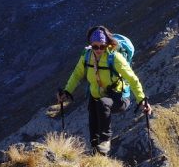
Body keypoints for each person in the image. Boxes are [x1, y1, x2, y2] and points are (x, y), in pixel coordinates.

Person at [57, 25, 151, 155]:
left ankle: (106, 140)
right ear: (91, 45)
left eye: (102, 46)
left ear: (107, 44)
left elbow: (132, 79)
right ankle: (97, 156)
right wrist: (67, 92)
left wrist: (142, 100)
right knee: (94, 125)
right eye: (95, 46)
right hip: (96, 97)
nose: (99, 49)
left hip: (119, 98)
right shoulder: (86, 56)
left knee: (102, 104)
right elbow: (77, 74)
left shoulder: (114, 58)